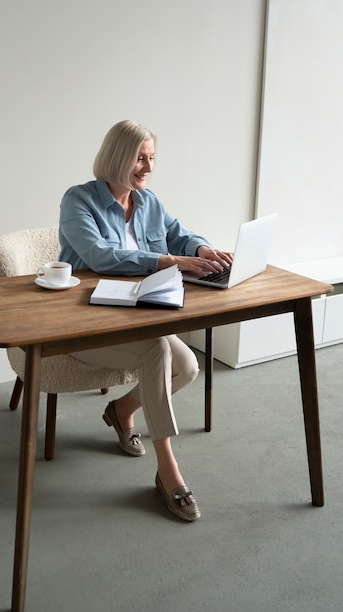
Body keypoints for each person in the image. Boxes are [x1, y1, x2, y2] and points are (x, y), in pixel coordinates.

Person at [59, 120, 232, 521]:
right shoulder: (78, 201)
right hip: (88, 321)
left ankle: (121, 412)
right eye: (140, 158)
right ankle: (167, 472)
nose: (147, 167)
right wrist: (169, 260)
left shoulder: (148, 201)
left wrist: (203, 249)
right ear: (118, 157)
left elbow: (179, 234)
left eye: (152, 158)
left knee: (187, 367)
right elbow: (101, 256)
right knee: (158, 350)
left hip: (138, 315)